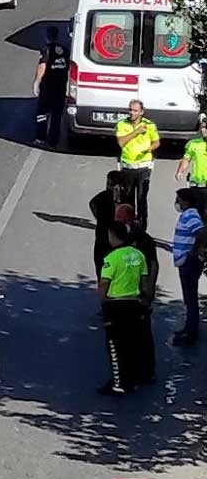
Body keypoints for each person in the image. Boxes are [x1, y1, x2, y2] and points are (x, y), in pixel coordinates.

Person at [99, 221, 153, 395]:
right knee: (132, 343)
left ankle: (118, 382)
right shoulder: (138, 255)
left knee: (115, 346)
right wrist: (145, 300)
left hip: (115, 306)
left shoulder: (111, 258)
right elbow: (145, 282)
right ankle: (133, 377)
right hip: (135, 304)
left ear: (113, 236)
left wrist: (103, 301)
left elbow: (104, 283)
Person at [116, 100, 160, 223]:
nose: (132, 113)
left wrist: (148, 149)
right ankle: (128, 225)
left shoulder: (150, 125)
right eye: (130, 110)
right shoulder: (122, 124)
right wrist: (136, 132)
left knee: (141, 198)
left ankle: (142, 226)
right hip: (127, 167)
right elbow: (121, 142)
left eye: (135, 111)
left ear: (141, 112)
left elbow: (156, 142)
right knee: (127, 198)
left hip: (144, 167)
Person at [89, 171, 135, 281]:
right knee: (101, 266)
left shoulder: (126, 198)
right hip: (103, 238)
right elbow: (93, 205)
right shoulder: (101, 198)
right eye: (111, 184)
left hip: (120, 240)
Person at [171, 188, 203, 347]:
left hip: (188, 262)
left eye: (179, 199)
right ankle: (188, 328)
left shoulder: (191, 215)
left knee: (191, 299)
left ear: (186, 201)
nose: (177, 203)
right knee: (189, 298)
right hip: (185, 261)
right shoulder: (188, 214)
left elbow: (202, 234)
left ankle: (191, 333)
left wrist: (193, 252)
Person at [32, 36, 70, 143]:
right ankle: (54, 140)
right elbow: (69, 67)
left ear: (47, 37)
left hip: (48, 87)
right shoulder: (65, 50)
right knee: (56, 115)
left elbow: (42, 66)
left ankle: (41, 138)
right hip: (61, 87)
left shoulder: (46, 49)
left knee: (42, 113)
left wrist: (37, 82)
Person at [178, 115, 207, 187]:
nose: (203, 130)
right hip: (196, 183)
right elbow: (186, 159)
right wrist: (180, 171)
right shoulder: (193, 143)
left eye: (206, 128)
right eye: (202, 127)